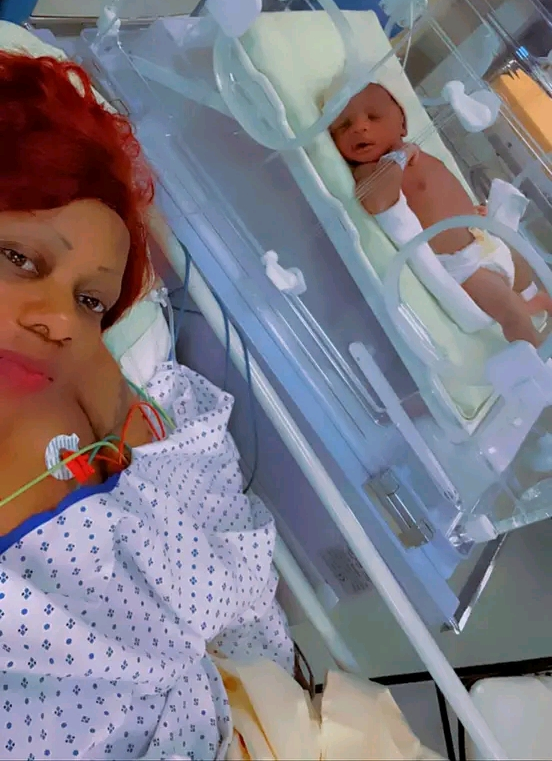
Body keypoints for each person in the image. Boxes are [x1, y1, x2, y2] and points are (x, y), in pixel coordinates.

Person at [0, 51, 293, 761]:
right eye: (19, 259)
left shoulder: (100, 404)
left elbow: (241, 603)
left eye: (91, 301)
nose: (61, 321)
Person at [330, 82, 551, 346]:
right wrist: (399, 157)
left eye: (373, 116)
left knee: (524, 268)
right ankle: (536, 356)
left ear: (403, 125)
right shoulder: (372, 170)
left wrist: (473, 211)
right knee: (510, 311)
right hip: (466, 265)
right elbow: (377, 199)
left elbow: (443, 195)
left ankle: (532, 300)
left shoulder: (420, 154)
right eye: (343, 125)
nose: (359, 127)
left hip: (485, 238)